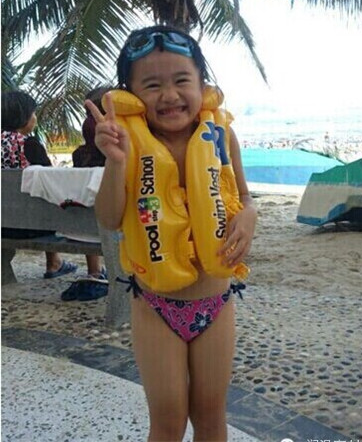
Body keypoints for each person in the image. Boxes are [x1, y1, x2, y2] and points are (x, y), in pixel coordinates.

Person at [86, 25, 257, 442]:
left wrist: (250, 216)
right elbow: (109, 218)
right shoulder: (127, 143)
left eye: (182, 80)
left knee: (211, 416)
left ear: (202, 83)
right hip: (155, 306)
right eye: (152, 85)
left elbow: (244, 197)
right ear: (130, 94)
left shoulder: (221, 134)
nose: (169, 95)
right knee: (167, 420)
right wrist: (114, 162)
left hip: (216, 301)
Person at [1, 90, 78, 279]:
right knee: (45, 198)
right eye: (33, 113)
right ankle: (54, 263)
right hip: (32, 227)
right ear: (23, 117)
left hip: (3, 224)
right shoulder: (29, 144)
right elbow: (51, 179)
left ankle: (54, 262)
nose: (35, 118)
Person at [60, 86, 109, 302]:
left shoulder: (79, 155)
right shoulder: (122, 155)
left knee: (88, 211)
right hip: (113, 231)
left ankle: (94, 271)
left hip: (79, 231)